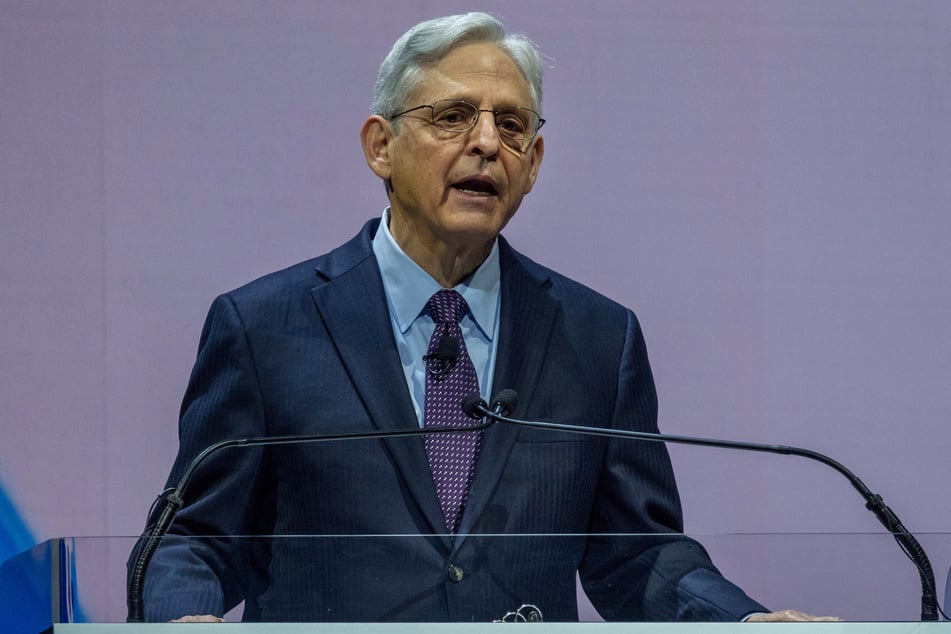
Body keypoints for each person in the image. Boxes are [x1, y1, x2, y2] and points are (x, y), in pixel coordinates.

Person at [132, 12, 838, 623]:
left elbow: (639, 553)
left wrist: (741, 621)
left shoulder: (597, 337)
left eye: (510, 125)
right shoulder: (264, 327)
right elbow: (196, 535)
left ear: (531, 163)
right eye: (451, 117)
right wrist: (178, 620)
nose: (485, 143)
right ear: (380, 145)